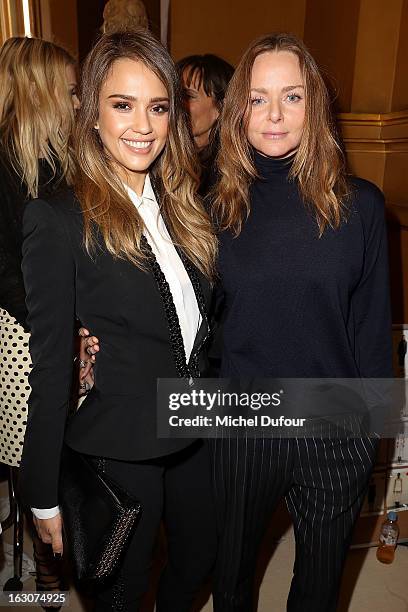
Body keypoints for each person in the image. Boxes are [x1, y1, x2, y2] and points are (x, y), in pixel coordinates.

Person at [19, 29, 217, 612]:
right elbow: (51, 367)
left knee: (197, 558)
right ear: (91, 113)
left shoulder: (183, 203)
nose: (143, 126)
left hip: (195, 427)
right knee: (123, 591)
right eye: (122, 104)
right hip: (120, 441)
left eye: (158, 107)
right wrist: (42, 493)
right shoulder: (57, 218)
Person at [209, 33, 392, 611]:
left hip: (334, 420)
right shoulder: (212, 205)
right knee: (231, 578)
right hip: (243, 420)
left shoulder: (361, 205)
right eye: (258, 98)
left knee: (317, 588)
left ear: (315, 105)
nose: (275, 115)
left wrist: (372, 437)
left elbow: (370, 321)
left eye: (292, 96)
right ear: (239, 108)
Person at [0, 36, 79, 601]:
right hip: (23, 333)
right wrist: (60, 322)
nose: (79, 102)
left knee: (66, 456)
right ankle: (50, 584)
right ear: (41, 92)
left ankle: (68, 569)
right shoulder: (6, 164)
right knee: (38, 461)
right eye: (72, 91)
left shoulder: (58, 159)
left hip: (57, 327)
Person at [177, 54, 234, 196]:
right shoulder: (164, 157)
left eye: (188, 96)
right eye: (174, 95)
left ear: (221, 108)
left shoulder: (228, 175)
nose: (177, 104)